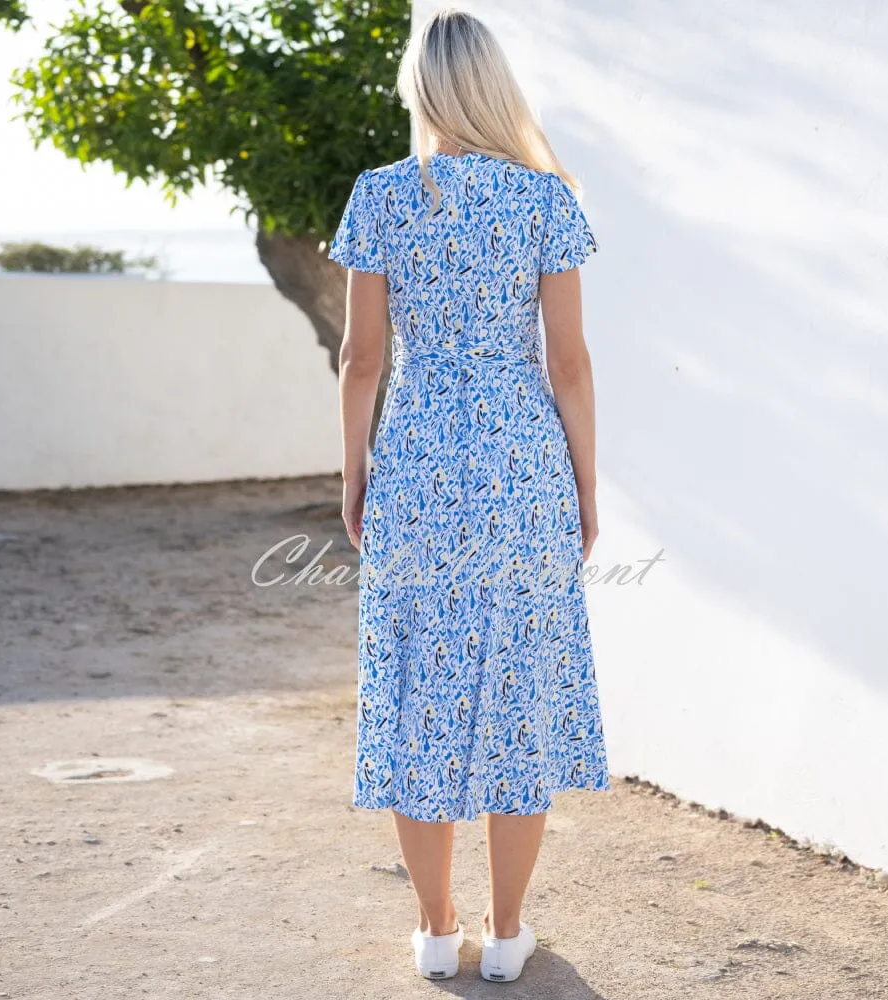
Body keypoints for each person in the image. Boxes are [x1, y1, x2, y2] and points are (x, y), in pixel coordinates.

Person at [327, 6, 611, 984]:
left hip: (414, 468)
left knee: (419, 699)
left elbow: (362, 359)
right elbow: (568, 363)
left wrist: (354, 476)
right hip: (523, 471)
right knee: (518, 701)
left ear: (419, 87)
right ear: (493, 85)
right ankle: (508, 933)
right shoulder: (545, 201)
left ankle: (436, 929)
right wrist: (583, 482)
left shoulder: (380, 196)